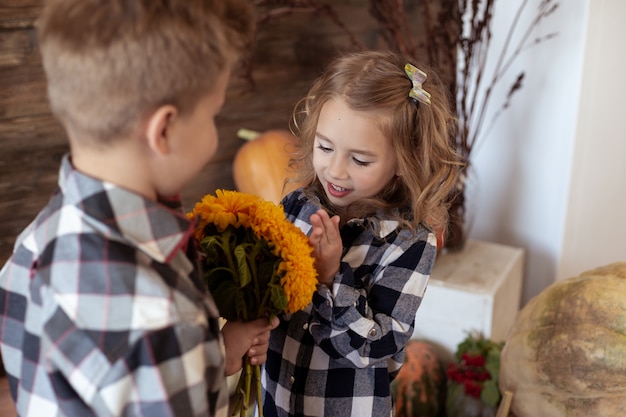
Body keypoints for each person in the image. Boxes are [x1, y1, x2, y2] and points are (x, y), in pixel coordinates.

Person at [0, 1, 278, 416]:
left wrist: (216, 356)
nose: (216, 131)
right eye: (213, 114)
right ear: (164, 129)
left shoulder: (33, 246)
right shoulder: (159, 319)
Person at [261, 50, 462, 417]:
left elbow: (375, 348)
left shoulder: (409, 242)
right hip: (277, 402)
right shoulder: (296, 206)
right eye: (325, 147)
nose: (335, 170)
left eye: (360, 160)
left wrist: (330, 276)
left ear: (405, 160)